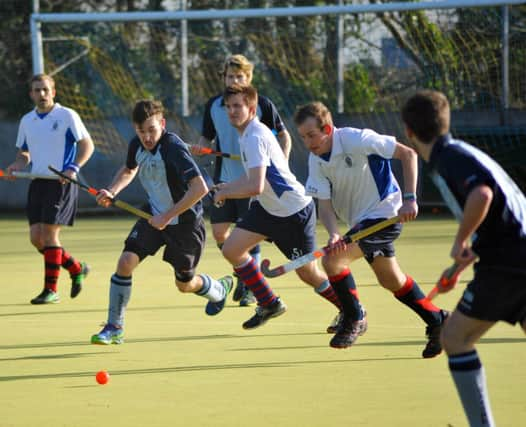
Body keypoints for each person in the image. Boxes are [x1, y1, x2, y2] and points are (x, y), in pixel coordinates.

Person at [402, 90, 526, 426]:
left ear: (408, 132)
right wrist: (458, 266)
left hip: (509, 264)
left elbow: (482, 195)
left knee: (454, 338)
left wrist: (459, 242)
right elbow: (495, 215)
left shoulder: (448, 158)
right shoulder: (461, 152)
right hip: (513, 255)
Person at [293, 101, 448, 354]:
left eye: (312, 135)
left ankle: (354, 317)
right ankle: (438, 320)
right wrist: (333, 233)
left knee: (332, 262)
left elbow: (408, 154)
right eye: (303, 137)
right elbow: (325, 206)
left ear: (328, 129)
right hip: (360, 222)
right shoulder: (316, 160)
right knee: (391, 280)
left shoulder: (357, 139)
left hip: (385, 213)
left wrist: (410, 199)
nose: (309, 142)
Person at [90, 100, 232, 345]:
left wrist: (167, 216)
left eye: (151, 130)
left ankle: (218, 290)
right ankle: (115, 326)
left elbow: (200, 188)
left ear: (162, 124)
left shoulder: (173, 148)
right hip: (152, 215)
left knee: (184, 284)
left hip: (185, 223)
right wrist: (112, 190)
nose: (146, 137)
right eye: (141, 131)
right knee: (125, 262)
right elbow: (128, 168)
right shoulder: (137, 145)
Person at [213, 84, 351, 334]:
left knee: (308, 273)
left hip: (293, 212)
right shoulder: (246, 134)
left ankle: (352, 311)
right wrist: (228, 187)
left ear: (252, 109)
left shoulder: (254, 136)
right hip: (268, 209)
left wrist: (225, 191)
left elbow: (255, 185)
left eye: (238, 106)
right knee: (232, 249)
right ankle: (269, 303)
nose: (232, 111)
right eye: (229, 107)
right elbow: (256, 182)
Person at [192, 54, 292, 307]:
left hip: (251, 180)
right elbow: (207, 138)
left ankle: (250, 285)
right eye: (230, 76)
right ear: (223, 78)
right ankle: (244, 272)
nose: (234, 80)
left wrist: (281, 163)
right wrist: (200, 150)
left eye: (240, 76)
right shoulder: (215, 106)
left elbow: (284, 136)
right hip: (224, 179)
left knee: (249, 233)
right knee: (219, 233)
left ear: (248, 79)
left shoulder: (262, 104)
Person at [6, 73, 94, 304]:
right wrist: (17, 165)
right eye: (37, 90)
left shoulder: (67, 116)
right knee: (37, 238)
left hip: (60, 183)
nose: (42, 94)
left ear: (53, 92)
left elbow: (87, 144)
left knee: (49, 234)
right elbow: (24, 153)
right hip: (38, 182)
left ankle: (50, 290)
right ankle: (76, 268)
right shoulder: (27, 121)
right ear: (31, 94)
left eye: (45, 90)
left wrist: (72, 168)